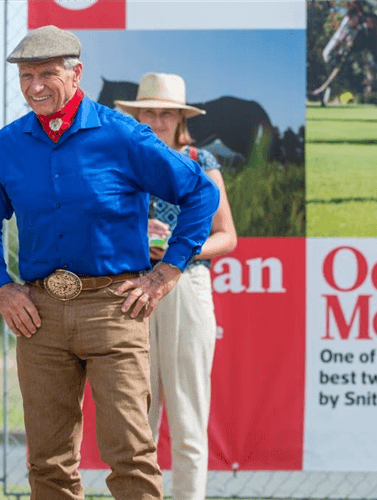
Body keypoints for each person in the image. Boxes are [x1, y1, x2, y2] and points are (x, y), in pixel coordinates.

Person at [0, 26, 220, 500]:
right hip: (38, 315)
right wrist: (1, 286)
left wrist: (167, 273)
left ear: (76, 73)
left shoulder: (123, 135)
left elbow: (201, 194)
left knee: (130, 454)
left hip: (114, 309)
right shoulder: (8, 145)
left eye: (47, 74)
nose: (34, 86)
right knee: (48, 460)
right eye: (25, 76)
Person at [115, 73, 237, 500]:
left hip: (186, 282)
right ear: (136, 115)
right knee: (136, 417)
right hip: (130, 285)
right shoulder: (121, 160)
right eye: (149, 110)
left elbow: (228, 236)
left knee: (188, 417)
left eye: (167, 111)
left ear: (181, 117)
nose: (158, 118)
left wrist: (179, 246)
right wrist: (134, 234)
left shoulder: (200, 160)